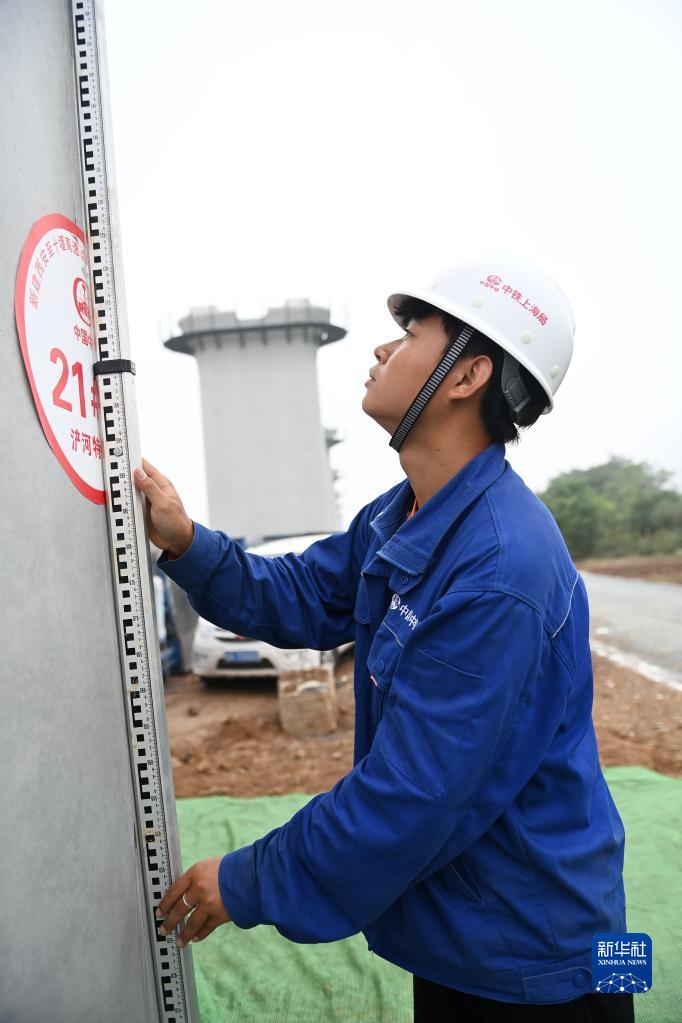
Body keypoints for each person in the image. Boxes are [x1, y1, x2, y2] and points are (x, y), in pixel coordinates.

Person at [134, 255, 633, 1022]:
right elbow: (300, 594)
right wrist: (187, 541)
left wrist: (245, 878)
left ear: (467, 375)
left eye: (409, 333)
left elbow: (411, 794)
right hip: (467, 927)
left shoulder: (500, 568)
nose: (381, 348)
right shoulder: (403, 513)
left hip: (537, 955)